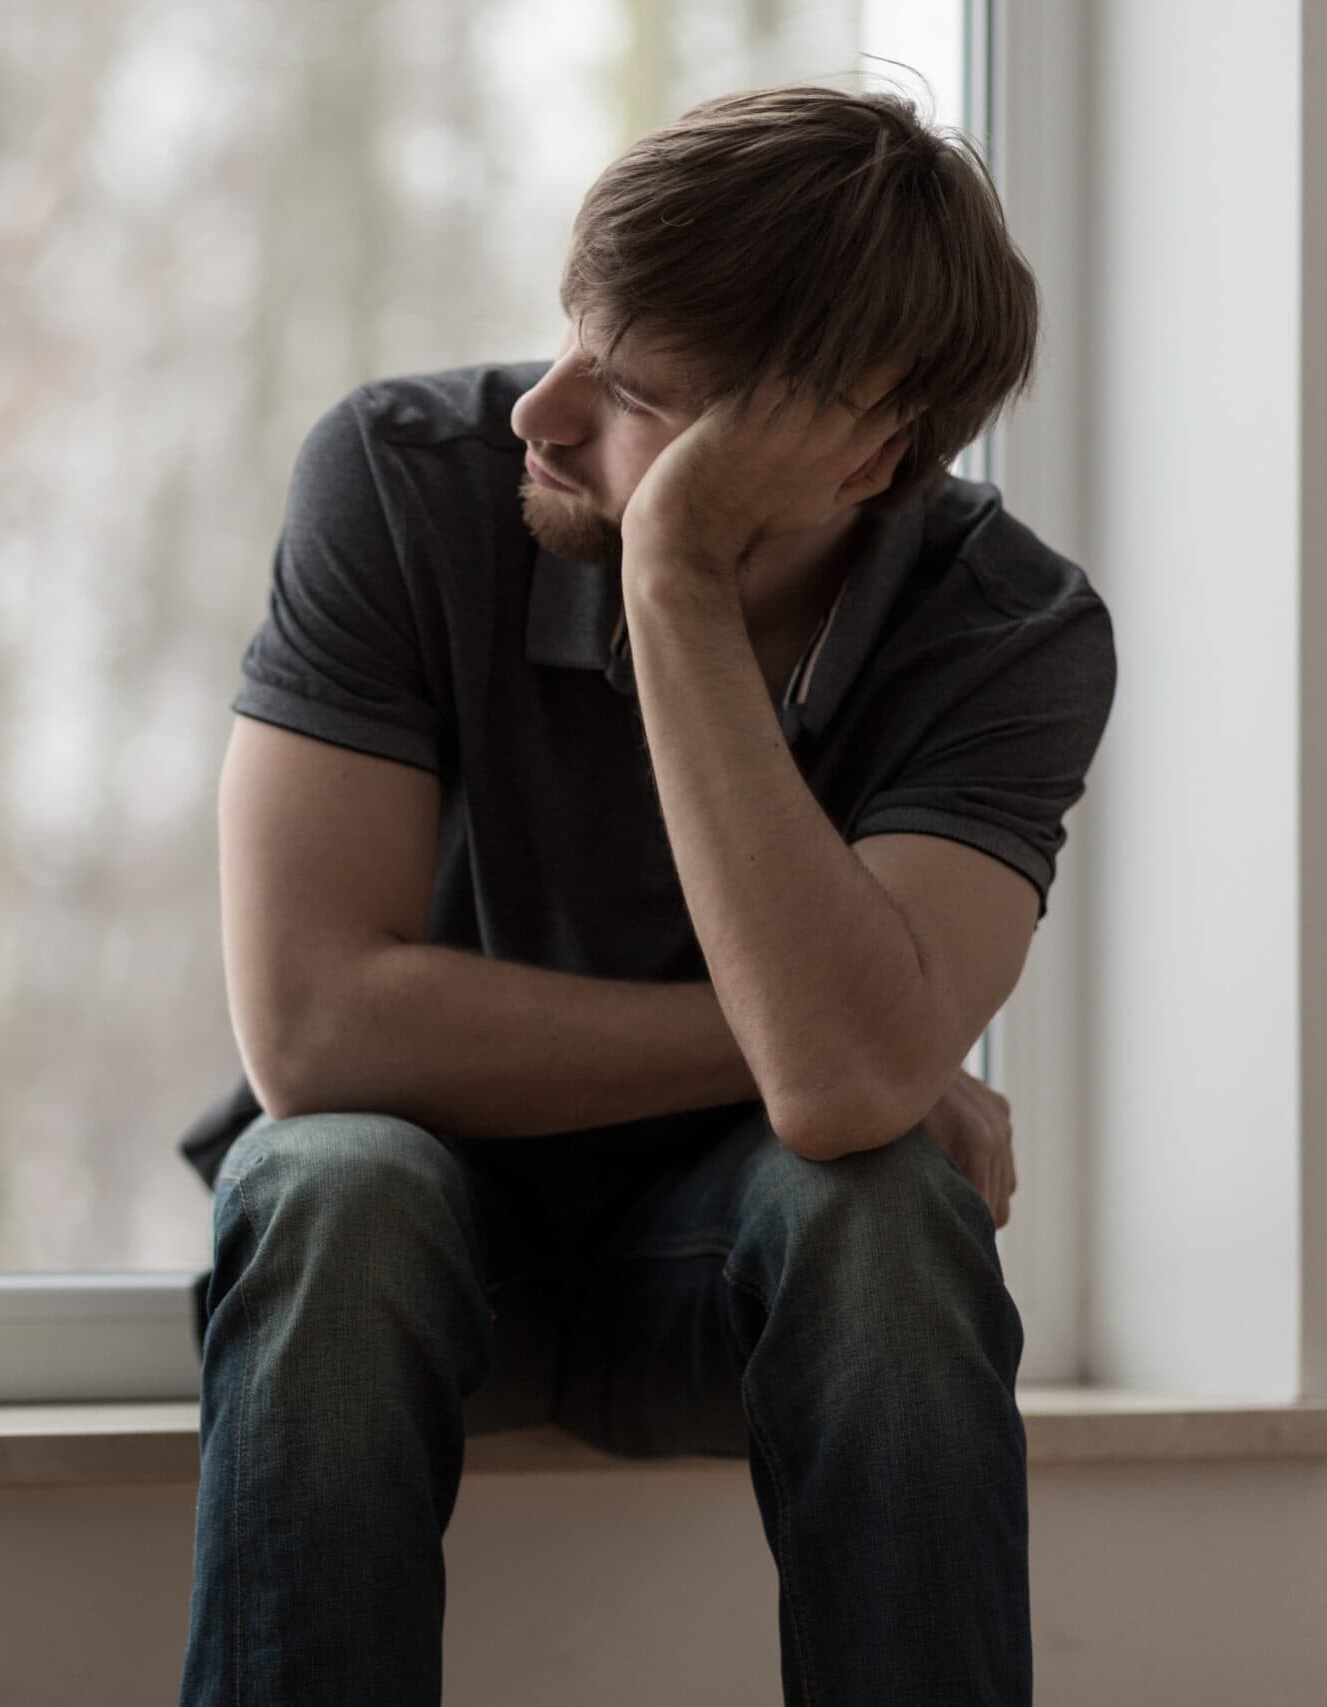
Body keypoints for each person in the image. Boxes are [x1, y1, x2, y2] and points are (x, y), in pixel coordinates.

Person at [174, 82, 1115, 1707]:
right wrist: (824, 1048)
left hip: (739, 1274)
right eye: (568, 340)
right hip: (422, 1247)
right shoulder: (402, 481)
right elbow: (315, 1033)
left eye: (629, 392)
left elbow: (836, 1110)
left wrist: (672, 576)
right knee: (332, 1178)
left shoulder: (1011, 633)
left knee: (883, 1203)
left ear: (851, 454)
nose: (540, 412)